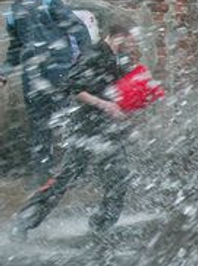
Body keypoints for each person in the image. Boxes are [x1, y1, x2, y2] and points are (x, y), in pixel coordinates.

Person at [11, 22, 138, 240]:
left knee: (119, 177)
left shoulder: (121, 59)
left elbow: (119, 90)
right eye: (131, 40)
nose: (133, 45)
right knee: (67, 178)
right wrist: (105, 105)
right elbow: (73, 88)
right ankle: (24, 222)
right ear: (118, 36)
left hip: (108, 130)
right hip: (86, 128)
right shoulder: (93, 54)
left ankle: (100, 226)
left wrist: (131, 102)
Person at [1, 0, 92, 187]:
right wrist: (3, 72)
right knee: (38, 124)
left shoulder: (49, 2)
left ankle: (77, 171)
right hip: (32, 76)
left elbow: (79, 30)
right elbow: (16, 47)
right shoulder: (13, 12)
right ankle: (42, 175)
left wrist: (84, 64)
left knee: (70, 120)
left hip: (59, 71)